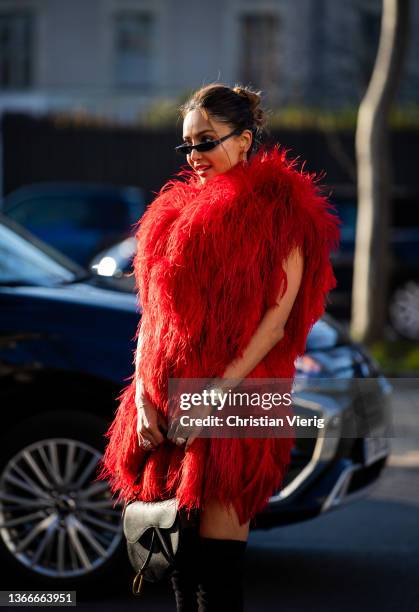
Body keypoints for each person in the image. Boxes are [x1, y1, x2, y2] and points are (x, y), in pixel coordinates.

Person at [96, 82, 341, 611]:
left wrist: (213, 395)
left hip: (241, 394)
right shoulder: (169, 218)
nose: (194, 156)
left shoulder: (282, 210)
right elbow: (152, 318)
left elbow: (275, 325)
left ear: (244, 139)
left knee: (220, 572)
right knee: (180, 566)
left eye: (206, 141)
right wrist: (141, 398)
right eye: (186, 144)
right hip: (167, 399)